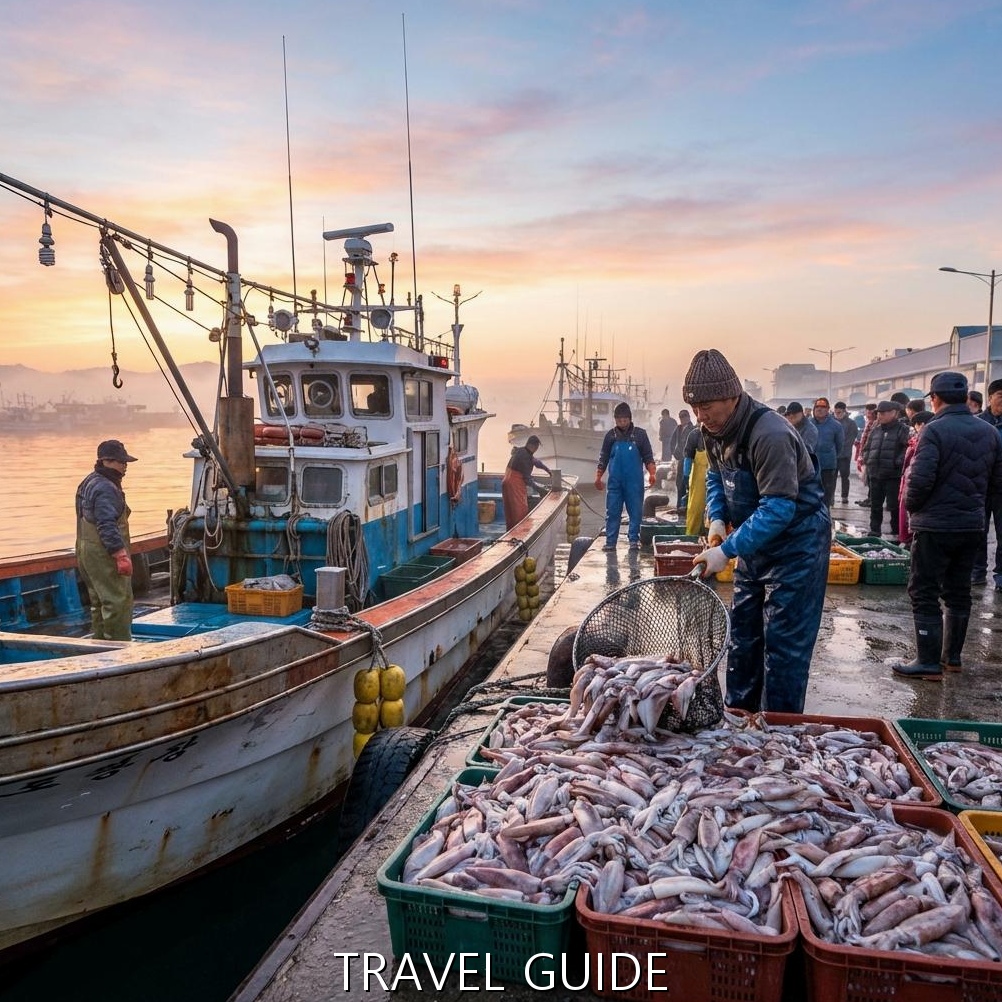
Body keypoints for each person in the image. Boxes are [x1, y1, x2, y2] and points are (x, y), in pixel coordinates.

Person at [685, 349, 829, 713]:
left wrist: (725, 551)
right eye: (695, 408)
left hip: (798, 542)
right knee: (744, 636)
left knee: (784, 643)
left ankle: (780, 730)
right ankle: (739, 719)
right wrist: (717, 519)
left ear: (732, 396)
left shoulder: (771, 434)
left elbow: (780, 507)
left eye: (707, 406)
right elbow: (716, 477)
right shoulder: (711, 430)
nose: (701, 416)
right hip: (754, 539)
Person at [893, 372, 1002, 679]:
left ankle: (927, 661)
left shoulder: (934, 431)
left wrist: (912, 507)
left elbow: (920, 480)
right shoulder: (989, 431)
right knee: (958, 589)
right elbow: (997, 481)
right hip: (971, 525)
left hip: (936, 526)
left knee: (924, 590)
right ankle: (952, 658)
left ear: (935, 399)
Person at [75, 439, 137, 641]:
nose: (125, 466)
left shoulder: (88, 481)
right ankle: (119, 651)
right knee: (117, 601)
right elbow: (106, 524)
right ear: (107, 461)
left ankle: (100, 644)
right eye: (121, 462)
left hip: (86, 550)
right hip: (104, 554)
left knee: (99, 601)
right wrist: (120, 555)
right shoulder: (106, 488)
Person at [595, 402, 656, 551]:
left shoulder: (640, 435)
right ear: (615, 420)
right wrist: (598, 476)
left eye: (625, 420)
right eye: (619, 420)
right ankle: (610, 542)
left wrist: (652, 472)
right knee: (613, 511)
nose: (622, 423)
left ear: (630, 419)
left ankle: (634, 540)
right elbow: (603, 457)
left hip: (634, 482)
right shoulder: (610, 436)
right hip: (615, 482)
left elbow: (648, 455)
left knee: (635, 511)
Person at [863, 401, 909, 540]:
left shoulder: (903, 429)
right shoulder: (876, 430)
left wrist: (898, 462)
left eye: (883, 413)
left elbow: (906, 448)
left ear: (894, 413)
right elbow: (867, 447)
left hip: (892, 475)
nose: (879, 416)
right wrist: (867, 460)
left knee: (893, 506)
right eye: (878, 413)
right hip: (875, 473)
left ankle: (896, 532)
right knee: (875, 504)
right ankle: (874, 531)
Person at [974, 377, 1002, 589]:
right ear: (990, 397)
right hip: (980, 487)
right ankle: (977, 571)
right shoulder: (977, 423)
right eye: (1000, 396)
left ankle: (1001, 575)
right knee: (977, 531)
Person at [897, 410, 932, 548]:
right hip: (908, 482)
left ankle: (910, 540)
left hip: (914, 483)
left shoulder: (924, 442)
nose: (914, 429)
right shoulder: (915, 441)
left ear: (921, 424)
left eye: (915, 426)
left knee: (910, 515)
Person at [501, 435, 549, 530]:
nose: (536, 449)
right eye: (537, 447)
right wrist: (540, 490)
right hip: (514, 485)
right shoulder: (525, 458)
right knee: (520, 511)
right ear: (534, 446)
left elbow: (536, 462)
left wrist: (547, 470)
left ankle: (509, 532)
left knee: (510, 511)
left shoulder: (521, 450)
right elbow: (527, 479)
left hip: (506, 482)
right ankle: (518, 535)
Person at [809, 397, 844, 508]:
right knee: (811, 494)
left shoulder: (836, 425)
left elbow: (839, 445)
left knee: (826, 495)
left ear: (828, 409)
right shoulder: (808, 424)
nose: (819, 409)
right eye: (817, 406)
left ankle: (825, 516)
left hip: (827, 466)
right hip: (810, 466)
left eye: (823, 407)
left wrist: (830, 454)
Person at [683, 424, 708, 537]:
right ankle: (692, 537)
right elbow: (688, 455)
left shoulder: (722, 433)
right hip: (699, 477)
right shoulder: (695, 434)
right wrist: (686, 474)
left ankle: (714, 539)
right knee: (696, 508)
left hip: (718, 475)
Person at [833, 401, 858, 504]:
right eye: (835, 412)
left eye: (839, 412)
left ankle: (844, 496)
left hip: (844, 456)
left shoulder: (851, 424)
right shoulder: (831, 422)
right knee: (832, 477)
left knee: (844, 476)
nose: (837, 414)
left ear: (844, 411)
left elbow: (850, 440)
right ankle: (831, 496)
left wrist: (840, 449)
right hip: (833, 455)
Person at [854, 403, 878, 506]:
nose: (868, 414)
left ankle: (872, 499)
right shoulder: (868, 422)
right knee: (868, 478)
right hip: (865, 453)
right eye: (867, 411)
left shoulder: (875, 423)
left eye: (870, 412)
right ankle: (870, 498)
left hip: (870, 454)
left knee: (870, 478)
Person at [670, 409, 694, 511]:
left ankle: (687, 506)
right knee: (679, 482)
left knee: (688, 481)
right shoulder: (678, 428)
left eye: (684, 416)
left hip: (690, 459)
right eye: (681, 417)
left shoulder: (693, 429)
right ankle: (679, 505)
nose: (683, 419)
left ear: (688, 417)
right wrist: (674, 453)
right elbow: (672, 441)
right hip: (681, 459)